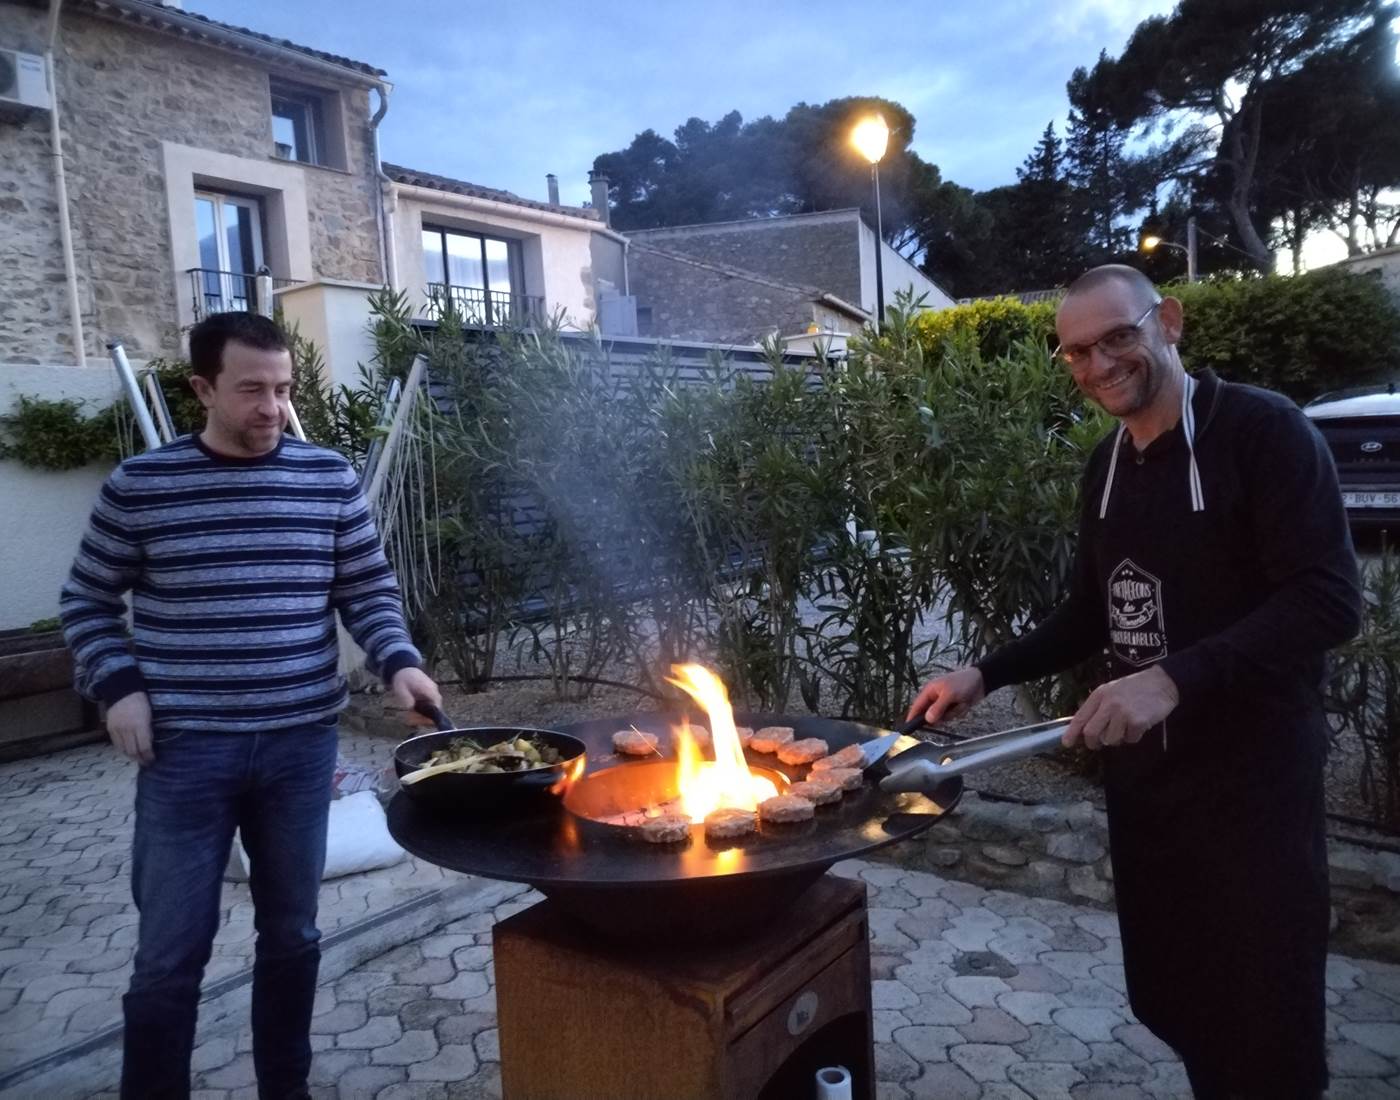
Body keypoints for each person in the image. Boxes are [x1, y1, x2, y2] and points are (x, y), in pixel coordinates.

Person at [906, 265, 1361, 1099]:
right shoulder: (1108, 465)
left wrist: (1173, 680)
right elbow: (1090, 613)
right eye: (1076, 351)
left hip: (1251, 788)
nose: (1099, 363)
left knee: (1264, 1023)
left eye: (1118, 336)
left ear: (1171, 323)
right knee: (1180, 998)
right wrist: (985, 671)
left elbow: (1329, 601)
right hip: (1150, 790)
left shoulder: (1264, 433)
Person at [59, 312, 441, 1100]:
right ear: (202, 388)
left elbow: (365, 589)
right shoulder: (143, 486)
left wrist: (398, 661)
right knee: (170, 954)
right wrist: (119, 686)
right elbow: (87, 601)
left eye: (283, 389)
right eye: (251, 391)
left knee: (293, 935)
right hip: (185, 755)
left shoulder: (326, 477)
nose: (272, 407)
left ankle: (285, 1089)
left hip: (301, 749)